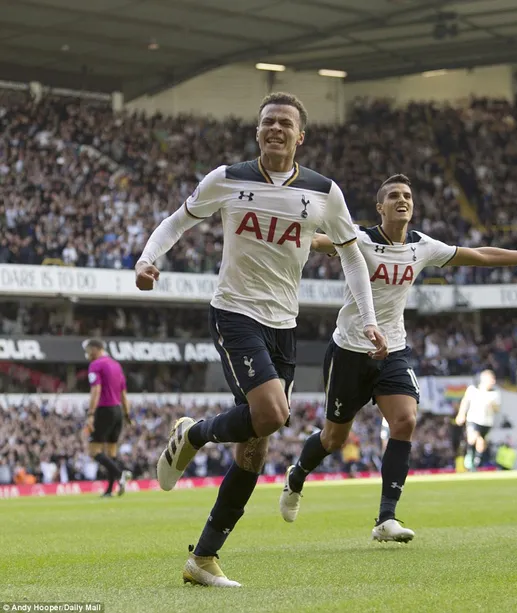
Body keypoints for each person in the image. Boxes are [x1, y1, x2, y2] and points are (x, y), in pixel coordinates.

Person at [134, 92, 387, 588]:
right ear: (258, 132)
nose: (275, 129)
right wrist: (148, 258)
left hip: (284, 324)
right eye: (267, 122)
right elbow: (178, 220)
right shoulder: (227, 178)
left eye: (285, 123)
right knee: (272, 414)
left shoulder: (323, 192)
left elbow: (352, 256)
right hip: (235, 314)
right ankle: (194, 434)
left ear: (300, 136)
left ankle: (202, 558)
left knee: (254, 451)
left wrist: (370, 317)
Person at [280, 174, 517, 542]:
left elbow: (478, 255)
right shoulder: (359, 240)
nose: (403, 200)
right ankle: (296, 477)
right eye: (394, 196)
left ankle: (386, 519)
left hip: (394, 349)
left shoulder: (423, 246)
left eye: (408, 196)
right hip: (350, 351)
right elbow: (316, 241)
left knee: (405, 421)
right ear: (379, 207)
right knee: (334, 439)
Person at [83, 338, 132, 497]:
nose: (87, 355)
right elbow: (123, 393)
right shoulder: (116, 365)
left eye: (89, 351)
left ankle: (120, 473)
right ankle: (110, 490)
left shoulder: (96, 365)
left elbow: (96, 390)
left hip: (104, 409)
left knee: (93, 451)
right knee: (111, 452)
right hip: (118, 410)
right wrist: (126, 413)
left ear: (96, 349)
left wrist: (91, 414)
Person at [455, 370, 501, 471]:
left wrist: (492, 405)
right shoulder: (473, 390)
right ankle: (469, 457)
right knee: (473, 437)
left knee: (481, 443)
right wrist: (461, 414)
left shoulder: (494, 394)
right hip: (473, 419)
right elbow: (465, 402)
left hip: (487, 422)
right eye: (491, 379)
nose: (493, 382)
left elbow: (497, 409)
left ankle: (475, 463)